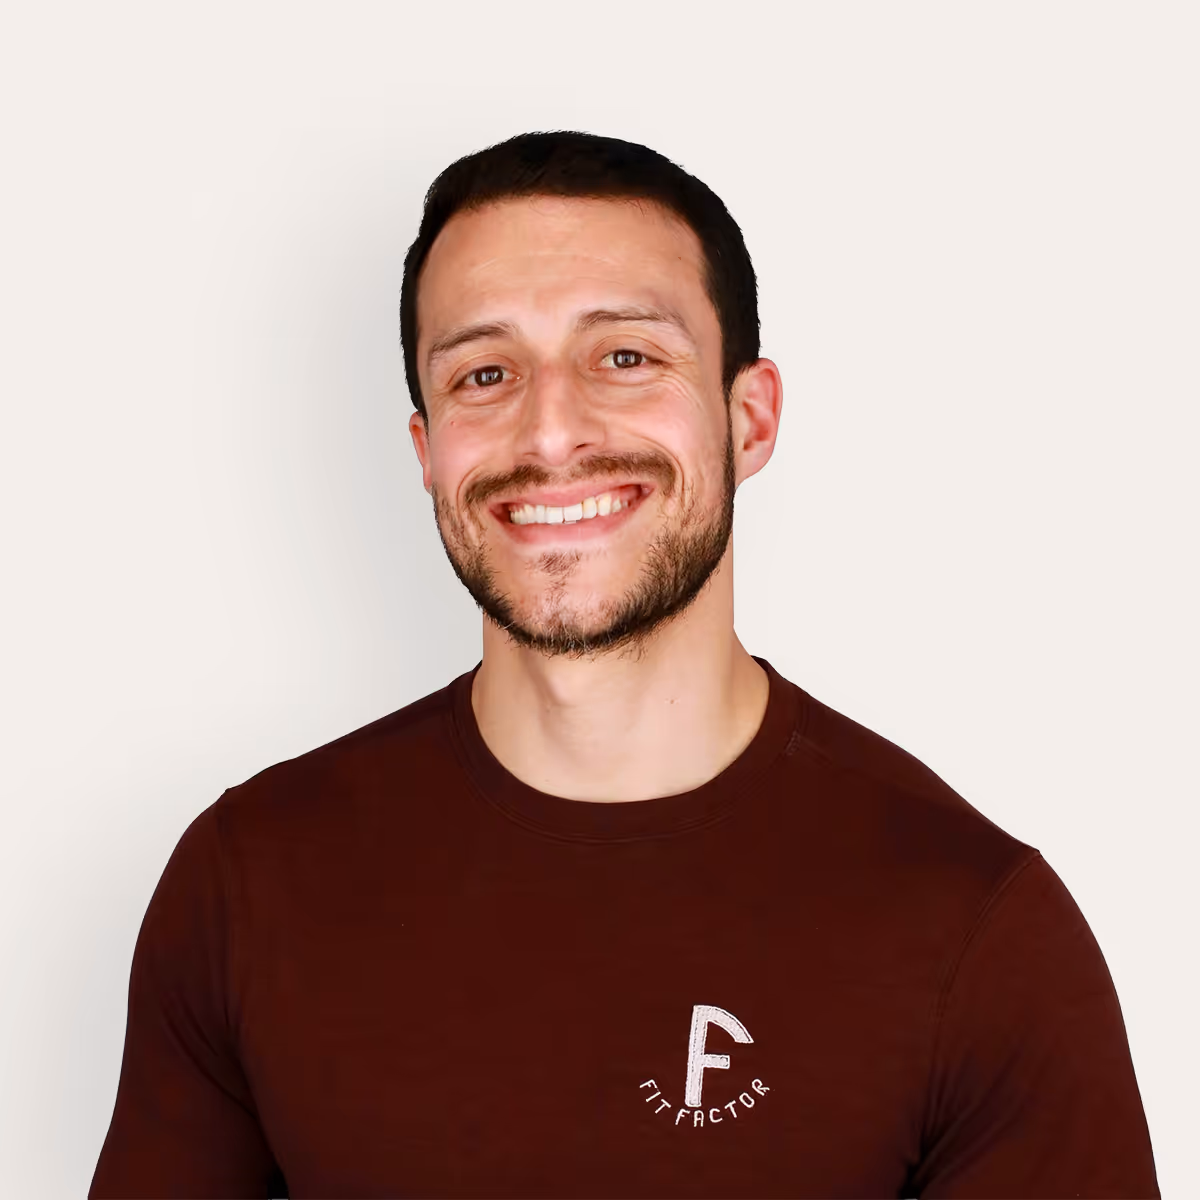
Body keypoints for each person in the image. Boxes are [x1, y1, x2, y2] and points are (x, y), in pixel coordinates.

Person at [90, 131, 1159, 1198]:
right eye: (486, 372)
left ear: (750, 419)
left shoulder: (978, 930)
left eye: (625, 357)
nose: (551, 432)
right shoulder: (247, 882)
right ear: (426, 452)